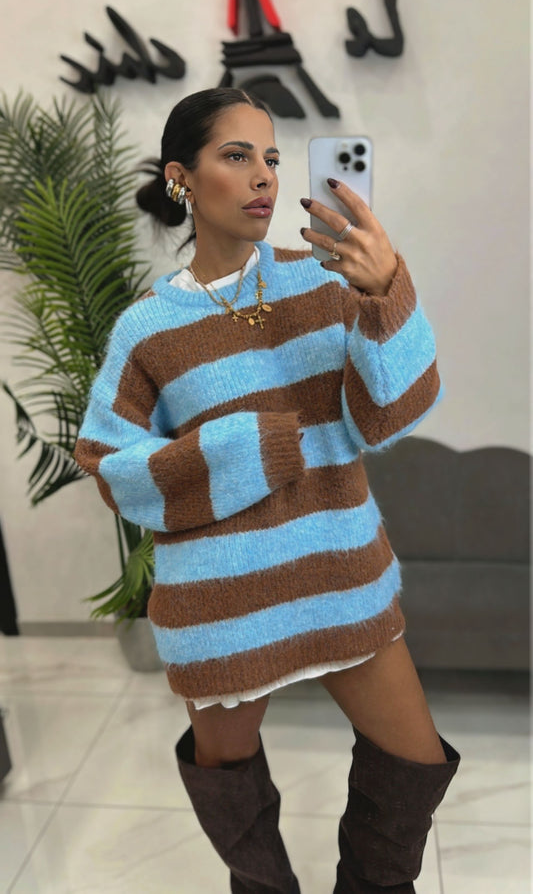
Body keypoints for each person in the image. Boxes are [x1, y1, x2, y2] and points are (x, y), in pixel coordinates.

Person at [74, 87, 460, 894]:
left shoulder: (324, 280)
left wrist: (384, 291)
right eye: (236, 155)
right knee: (228, 784)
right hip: (219, 602)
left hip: (340, 573)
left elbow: (387, 414)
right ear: (181, 178)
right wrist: (246, 449)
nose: (264, 176)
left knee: (413, 761)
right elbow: (109, 464)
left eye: (273, 158)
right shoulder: (145, 328)